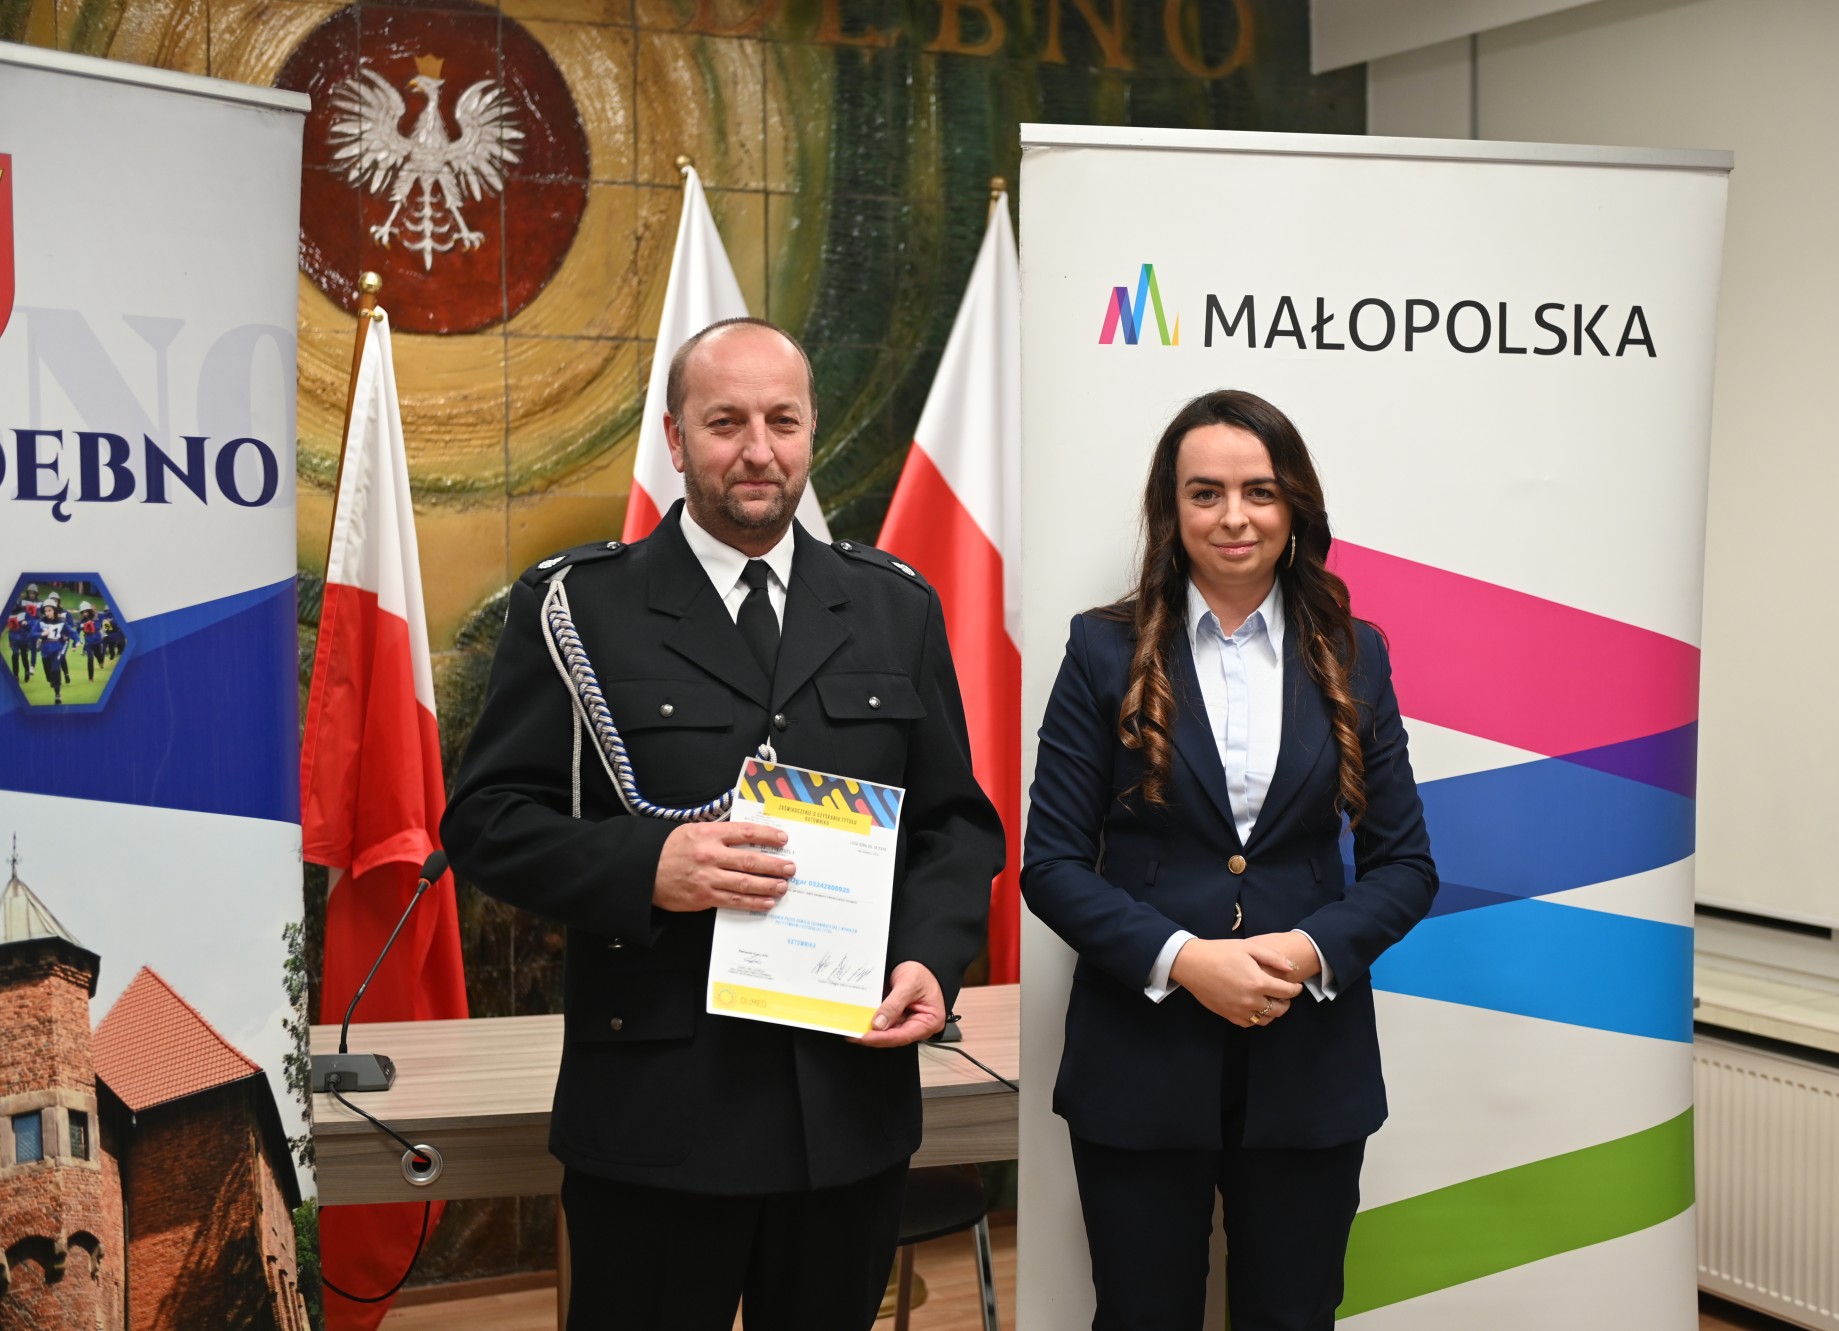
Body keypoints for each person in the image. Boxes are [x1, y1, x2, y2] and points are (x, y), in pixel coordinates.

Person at [441, 317, 1002, 1331]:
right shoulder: (579, 607)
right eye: (725, 421)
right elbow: (485, 821)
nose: (757, 449)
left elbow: (954, 825)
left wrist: (930, 953)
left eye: (782, 421)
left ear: (811, 430)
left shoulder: (892, 607)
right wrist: (646, 863)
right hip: (658, 1108)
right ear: (674, 435)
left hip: (843, 1103)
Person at [1021, 389, 1438, 1331]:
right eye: (1205, 492)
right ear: (1171, 510)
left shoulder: (1356, 654)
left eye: (1260, 490)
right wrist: (1184, 960)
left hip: (1309, 1058)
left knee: (1293, 1317)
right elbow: (1051, 863)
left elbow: (1406, 864)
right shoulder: (1102, 650)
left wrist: (1307, 950)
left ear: (1295, 505)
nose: (1234, 516)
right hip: (1139, 1059)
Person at [35, 598, 77, 704]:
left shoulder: (64, 615)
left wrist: (75, 640)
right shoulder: (42, 621)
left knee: (57, 665)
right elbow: (33, 632)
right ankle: (52, 679)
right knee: (49, 673)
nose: (47, 612)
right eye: (46, 610)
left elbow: (71, 627)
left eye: (50, 610)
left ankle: (58, 694)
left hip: (59, 644)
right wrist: (40, 635)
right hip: (46, 647)